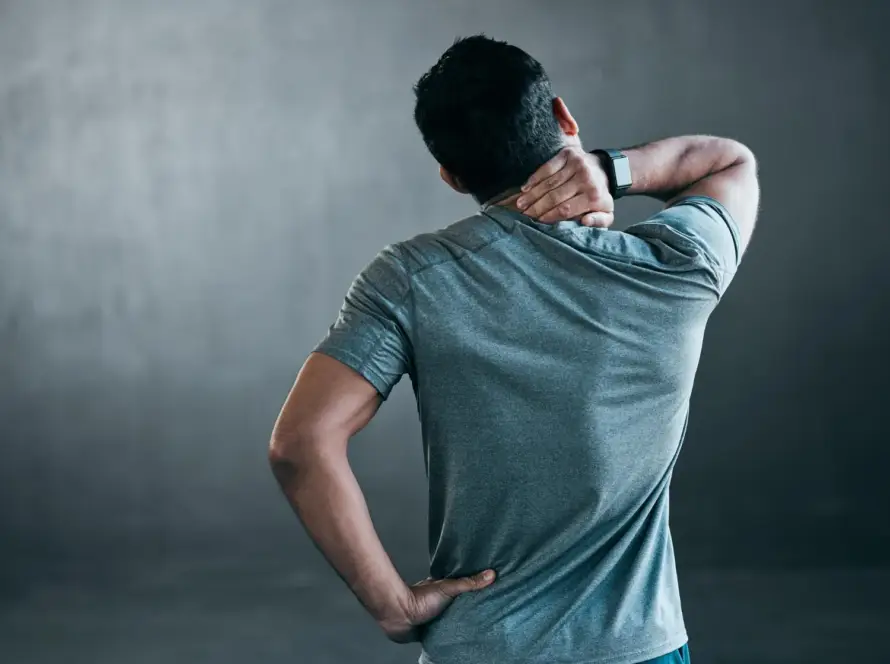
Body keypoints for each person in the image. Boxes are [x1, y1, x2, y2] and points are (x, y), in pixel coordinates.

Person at [268, 35, 759, 664]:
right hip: (638, 650)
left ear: (451, 176)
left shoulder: (411, 280)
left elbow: (299, 444)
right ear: (563, 116)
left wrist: (394, 605)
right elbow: (728, 163)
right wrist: (610, 168)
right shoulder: (674, 264)